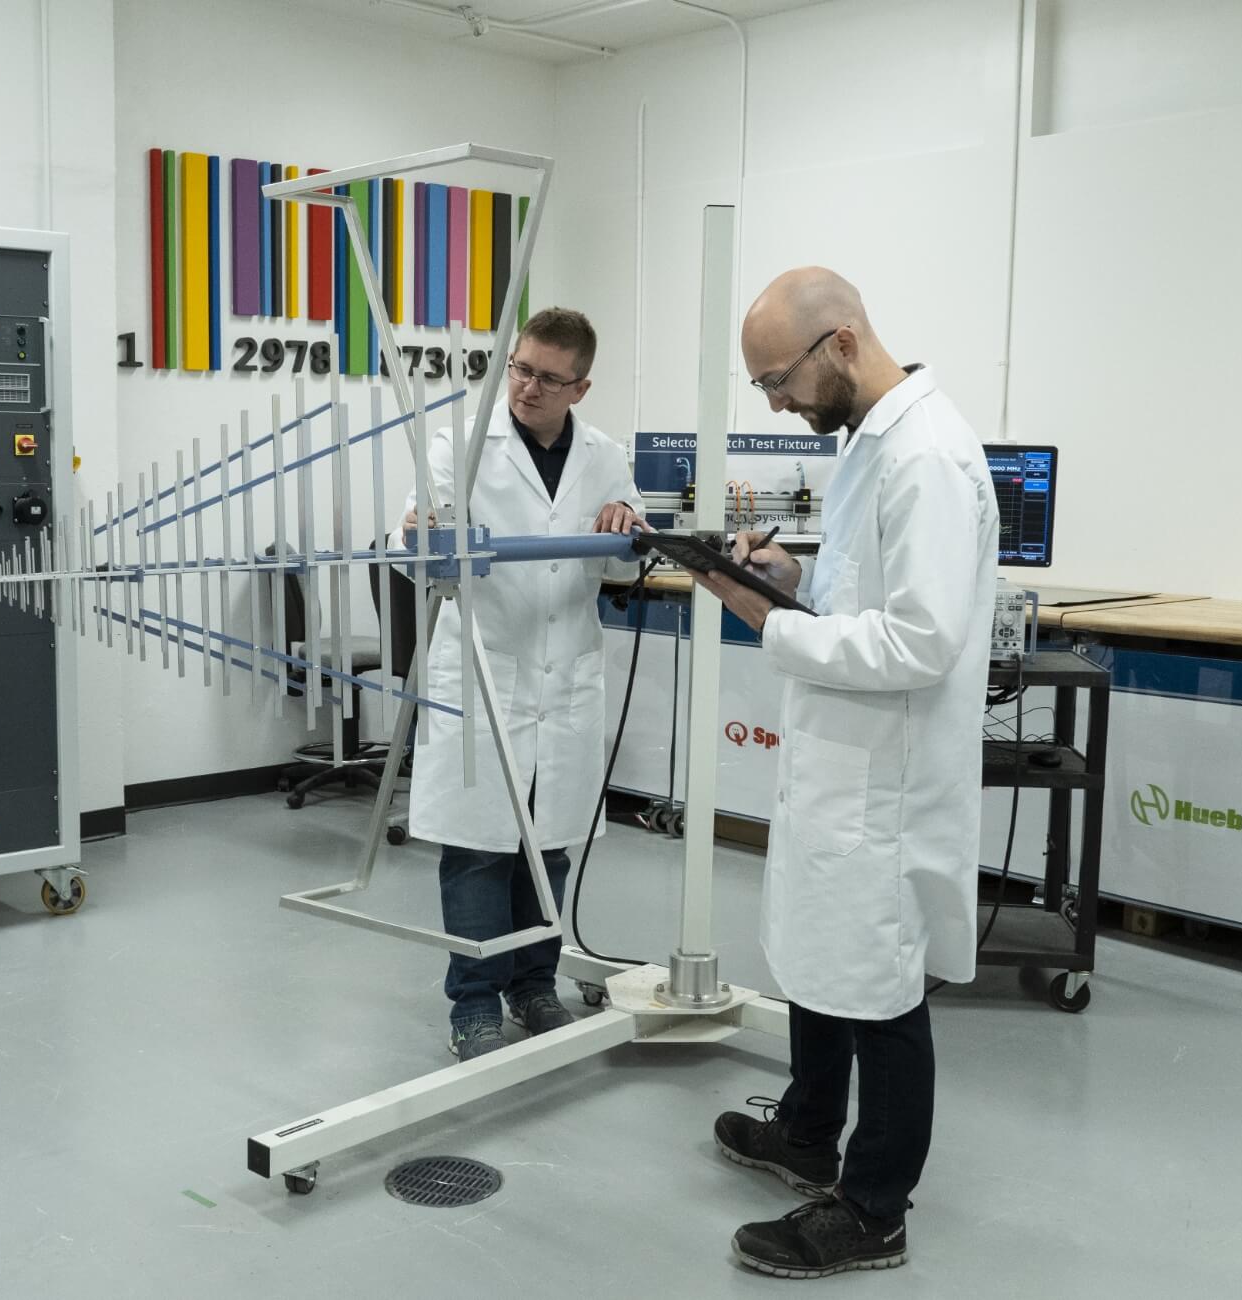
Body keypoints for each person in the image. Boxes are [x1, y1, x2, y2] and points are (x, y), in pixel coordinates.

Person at [693, 268, 998, 1279]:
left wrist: (768, 622)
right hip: (840, 762)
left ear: (836, 344)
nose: (774, 402)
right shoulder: (868, 444)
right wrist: (791, 580)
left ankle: (872, 1207)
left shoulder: (926, 458)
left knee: (878, 984)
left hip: (887, 780)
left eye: (776, 379)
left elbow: (919, 642)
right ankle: (806, 1129)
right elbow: (858, 594)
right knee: (822, 952)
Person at [397, 308, 645, 1062]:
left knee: (551, 841)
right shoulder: (462, 444)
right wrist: (422, 539)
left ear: (581, 387)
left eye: (548, 377)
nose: (527, 387)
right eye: (520, 369)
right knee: (478, 847)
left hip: (564, 673)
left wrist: (626, 527)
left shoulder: (605, 457)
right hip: (485, 669)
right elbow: (420, 548)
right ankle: (473, 1001)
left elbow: (626, 565)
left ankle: (534, 982)